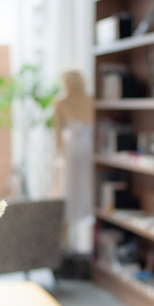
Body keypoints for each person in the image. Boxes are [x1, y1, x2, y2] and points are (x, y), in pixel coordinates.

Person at [53, 69, 94, 253]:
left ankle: (64, 245)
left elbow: (58, 135)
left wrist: (59, 158)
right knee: (87, 191)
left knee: (68, 195)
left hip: (72, 155)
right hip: (91, 152)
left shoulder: (61, 102)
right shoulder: (91, 100)